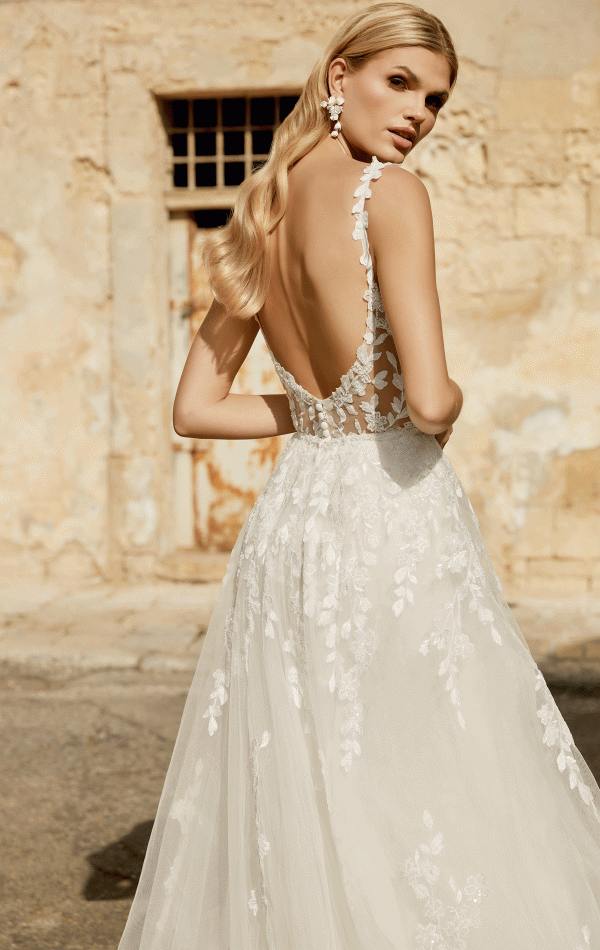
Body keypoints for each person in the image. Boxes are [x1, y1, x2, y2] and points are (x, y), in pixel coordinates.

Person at [117, 4, 600, 948]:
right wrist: (441, 398)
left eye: (438, 100)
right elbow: (426, 401)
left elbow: (195, 409)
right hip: (388, 506)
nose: (420, 112)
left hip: (297, 518)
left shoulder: (263, 205)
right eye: (402, 83)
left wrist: (317, 410)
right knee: (425, 752)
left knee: (317, 764)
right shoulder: (392, 194)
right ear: (339, 77)